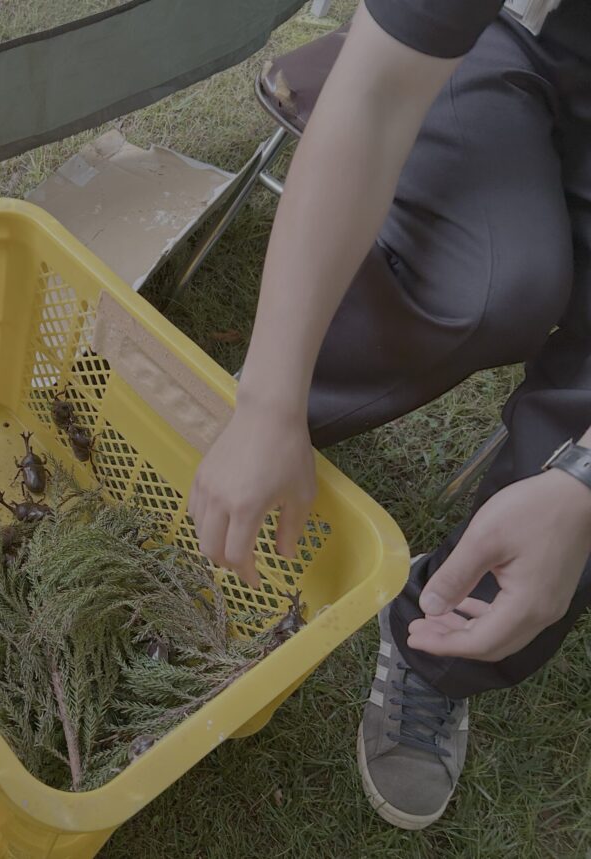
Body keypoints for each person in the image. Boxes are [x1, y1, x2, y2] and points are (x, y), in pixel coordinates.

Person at [189, 0, 591, 831]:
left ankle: (436, 652)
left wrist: (586, 478)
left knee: (572, 492)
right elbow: (374, 92)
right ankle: (236, 435)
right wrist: (269, 398)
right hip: (516, 33)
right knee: (491, 284)